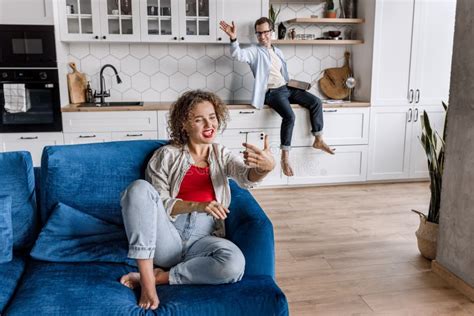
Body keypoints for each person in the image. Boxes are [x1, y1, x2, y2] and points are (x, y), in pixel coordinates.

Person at [119, 90, 275, 310]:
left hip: (204, 239)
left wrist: (264, 169)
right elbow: (158, 201)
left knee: (234, 264)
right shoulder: (166, 155)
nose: (208, 124)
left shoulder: (222, 154)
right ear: (184, 124)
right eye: (199, 119)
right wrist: (198, 205)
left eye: (212, 117)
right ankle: (147, 283)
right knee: (138, 189)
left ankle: (161, 277)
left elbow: (245, 175)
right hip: (168, 235)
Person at [219, 17, 335, 177]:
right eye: (259, 33)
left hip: (287, 88)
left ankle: (318, 139)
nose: (262, 36)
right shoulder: (254, 52)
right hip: (272, 93)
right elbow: (238, 54)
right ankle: (284, 158)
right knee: (290, 116)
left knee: (315, 101)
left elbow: (280, 74)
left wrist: (295, 85)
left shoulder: (278, 51)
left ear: (271, 32)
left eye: (265, 32)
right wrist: (233, 38)